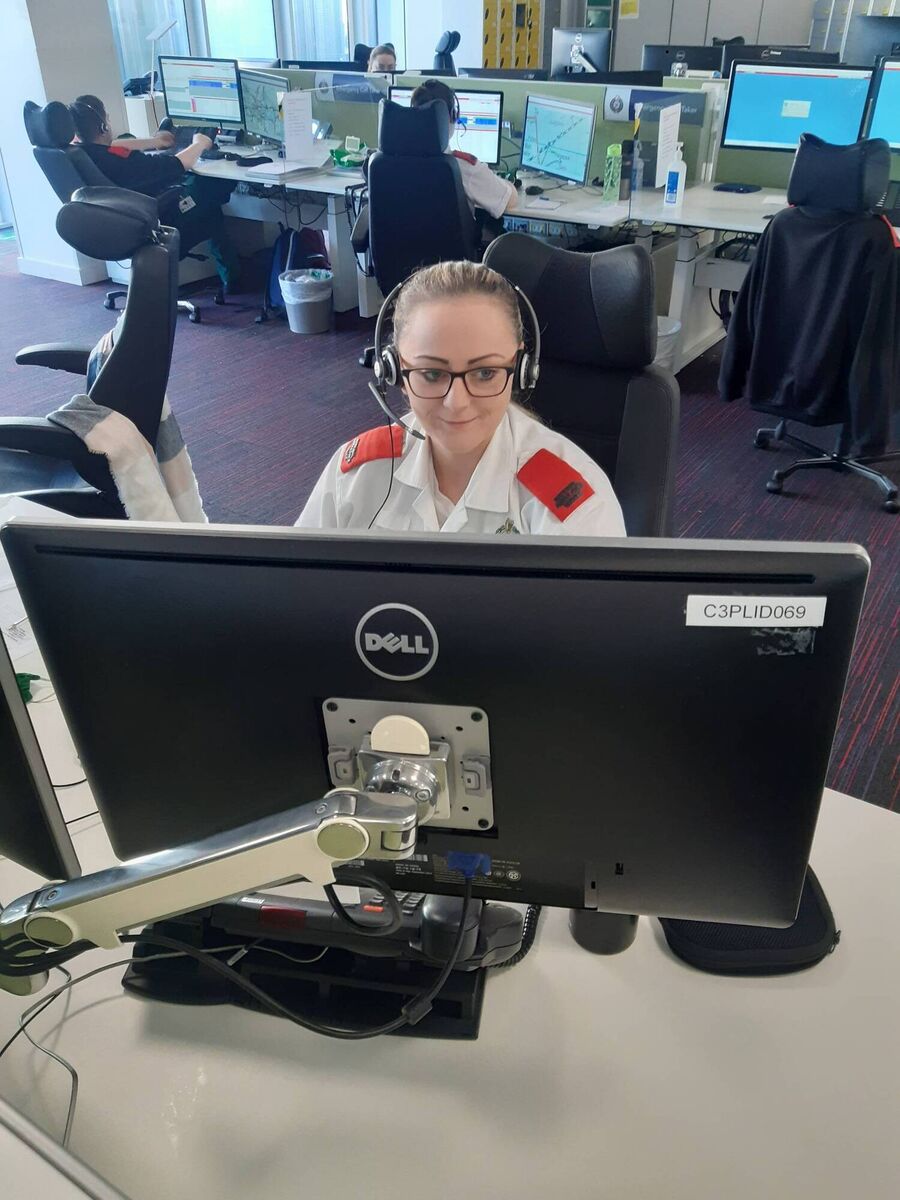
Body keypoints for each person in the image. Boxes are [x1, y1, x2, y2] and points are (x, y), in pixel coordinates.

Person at [296, 261, 626, 536]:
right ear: (394, 371)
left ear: (521, 369)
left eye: (485, 373)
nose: (457, 403)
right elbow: (295, 586)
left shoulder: (575, 507)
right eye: (432, 374)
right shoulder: (355, 477)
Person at [67, 95, 240, 292]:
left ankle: (232, 278)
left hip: (117, 222)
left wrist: (156, 141)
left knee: (208, 210)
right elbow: (178, 164)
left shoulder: (77, 153)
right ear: (103, 127)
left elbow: (113, 147)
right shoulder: (121, 163)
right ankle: (232, 277)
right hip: (155, 218)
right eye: (107, 118)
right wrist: (200, 143)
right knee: (210, 187)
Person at [410, 79, 517, 220]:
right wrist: (505, 183)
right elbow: (509, 200)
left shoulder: (387, 164)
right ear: (453, 116)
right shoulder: (461, 167)